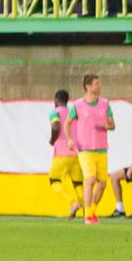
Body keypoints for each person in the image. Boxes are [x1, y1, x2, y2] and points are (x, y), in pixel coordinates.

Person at [64, 74, 114, 226]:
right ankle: (87, 215)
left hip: (102, 149)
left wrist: (108, 126)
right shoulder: (78, 105)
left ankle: (92, 212)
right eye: (97, 83)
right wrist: (69, 139)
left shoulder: (105, 104)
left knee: (102, 184)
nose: (99, 86)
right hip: (84, 149)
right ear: (88, 86)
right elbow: (67, 124)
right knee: (90, 179)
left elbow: (112, 124)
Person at [47, 89, 84, 219]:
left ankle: (73, 202)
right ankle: (88, 213)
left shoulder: (55, 112)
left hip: (62, 154)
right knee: (78, 184)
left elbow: (56, 126)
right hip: (76, 153)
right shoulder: (74, 114)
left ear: (56, 100)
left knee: (54, 180)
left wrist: (53, 139)